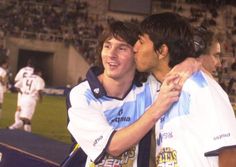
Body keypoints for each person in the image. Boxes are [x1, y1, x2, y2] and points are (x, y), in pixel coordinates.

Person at [64, 21, 199, 167]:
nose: (111, 55)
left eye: (122, 48)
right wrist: (155, 110)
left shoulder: (150, 87)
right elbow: (113, 146)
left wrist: (191, 61)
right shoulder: (82, 95)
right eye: (107, 46)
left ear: (136, 53)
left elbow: (182, 67)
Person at [133, 12, 236, 167]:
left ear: (162, 51)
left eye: (141, 42)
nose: (135, 48)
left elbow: (230, 155)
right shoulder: (158, 88)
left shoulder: (201, 88)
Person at [10, 67, 45, 132]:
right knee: (25, 119)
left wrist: (21, 92)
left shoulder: (26, 78)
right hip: (30, 100)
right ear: (39, 72)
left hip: (23, 98)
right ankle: (11, 128)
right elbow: (39, 90)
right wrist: (41, 98)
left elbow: (16, 86)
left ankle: (28, 134)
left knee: (27, 119)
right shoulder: (39, 79)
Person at [9, 58, 34, 129]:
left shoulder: (22, 70)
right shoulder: (33, 71)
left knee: (19, 108)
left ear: (27, 63)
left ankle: (17, 123)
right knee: (27, 112)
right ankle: (23, 126)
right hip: (29, 93)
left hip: (21, 91)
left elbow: (16, 80)